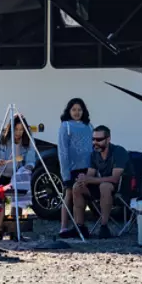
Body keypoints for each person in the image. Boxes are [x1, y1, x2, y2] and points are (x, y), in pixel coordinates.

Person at [62, 125, 131, 239]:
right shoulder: (94, 154)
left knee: (105, 186)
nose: (95, 143)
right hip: (103, 187)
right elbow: (90, 174)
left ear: (108, 139)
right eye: (93, 139)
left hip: (121, 189)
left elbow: (115, 179)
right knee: (77, 186)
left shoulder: (119, 151)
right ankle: (80, 227)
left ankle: (104, 227)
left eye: (99, 140)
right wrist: (83, 179)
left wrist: (91, 179)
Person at [57, 98, 93, 237]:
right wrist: (65, 173)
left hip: (88, 168)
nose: (77, 112)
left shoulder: (89, 126)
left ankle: (79, 225)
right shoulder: (65, 126)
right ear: (69, 111)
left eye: (79, 110)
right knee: (69, 194)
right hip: (72, 168)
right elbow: (63, 150)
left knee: (81, 196)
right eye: (74, 110)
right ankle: (64, 227)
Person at [0, 113, 36, 183]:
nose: (18, 132)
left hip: (16, 177)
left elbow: (30, 161)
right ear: (11, 128)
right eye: (16, 129)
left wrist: (25, 171)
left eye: (21, 130)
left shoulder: (28, 139)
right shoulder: (1, 137)